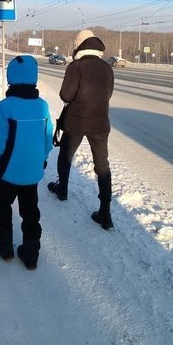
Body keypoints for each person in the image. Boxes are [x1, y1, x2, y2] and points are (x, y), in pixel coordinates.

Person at [0, 55, 53, 270]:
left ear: (11, 77)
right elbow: (47, 138)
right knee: (31, 212)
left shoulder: (6, 106)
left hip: (9, 173)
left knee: (2, 206)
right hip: (32, 173)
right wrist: (43, 159)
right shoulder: (42, 106)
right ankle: (30, 255)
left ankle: (4, 247)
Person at [47, 29, 115, 230]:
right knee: (102, 165)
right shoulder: (107, 68)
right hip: (100, 122)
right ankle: (105, 211)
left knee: (66, 156)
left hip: (76, 121)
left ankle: (62, 189)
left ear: (79, 45)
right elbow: (108, 94)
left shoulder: (75, 66)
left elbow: (66, 96)